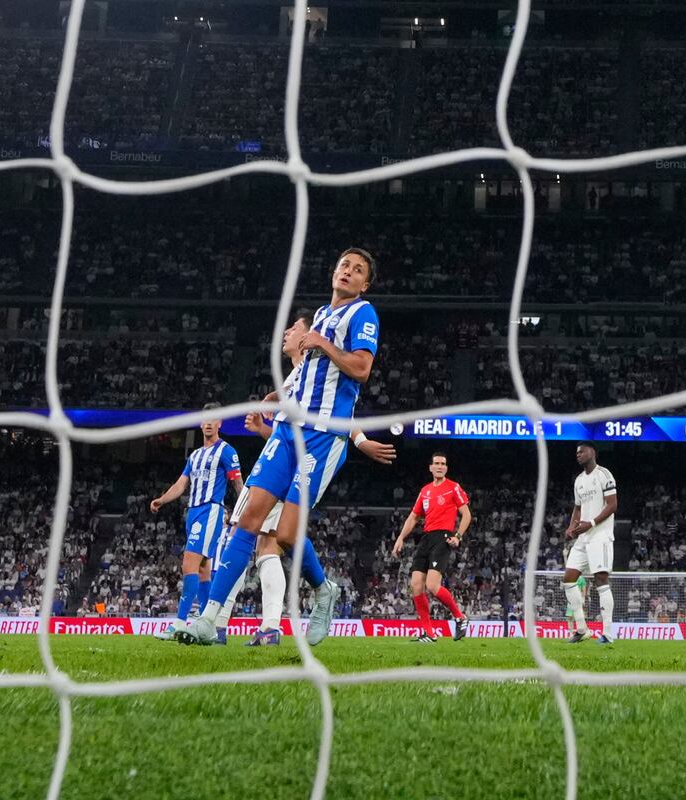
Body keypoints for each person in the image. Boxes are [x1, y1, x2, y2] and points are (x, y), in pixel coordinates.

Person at [175, 248, 382, 645]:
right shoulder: (321, 313)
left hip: (321, 437)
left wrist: (322, 343)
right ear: (333, 272)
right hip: (287, 431)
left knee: (285, 535)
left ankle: (324, 590)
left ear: (364, 285)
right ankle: (208, 620)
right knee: (246, 521)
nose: (348, 272)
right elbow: (310, 375)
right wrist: (276, 398)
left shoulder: (363, 314)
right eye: (344, 265)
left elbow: (361, 368)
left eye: (357, 270)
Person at [152, 419, 245, 630]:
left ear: (219, 424)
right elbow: (181, 484)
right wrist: (162, 500)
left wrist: (242, 513)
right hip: (193, 512)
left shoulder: (226, 451)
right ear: (201, 425)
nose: (209, 424)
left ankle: (179, 623)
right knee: (203, 570)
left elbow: (238, 484)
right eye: (205, 421)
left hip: (210, 510)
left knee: (189, 565)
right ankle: (206, 627)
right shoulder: (194, 456)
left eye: (213, 420)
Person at [393, 452, 470, 637]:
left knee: (432, 585)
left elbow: (467, 514)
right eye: (437, 463)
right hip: (426, 538)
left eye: (443, 464)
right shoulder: (425, 491)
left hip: (443, 537)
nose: (440, 466)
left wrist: (458, 536)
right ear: (430, 467)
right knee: (416, 585)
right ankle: (429, 633)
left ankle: (460, 617)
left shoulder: (453, 487)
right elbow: (413, 517)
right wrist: (401, 537)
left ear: (446, 468)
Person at [559, 442, 618, 642]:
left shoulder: (604, 474)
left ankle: (607, 633)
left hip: (600, 535)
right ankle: (582, 629)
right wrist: (571, 526)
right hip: (583, 537)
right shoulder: (579, 480)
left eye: (581, 452)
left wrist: (590, 523)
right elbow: (578, 508)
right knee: (569, 579)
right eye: (577, 453)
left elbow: (612, 505)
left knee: (601, 579)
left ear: (592, 452)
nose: (578, 455)